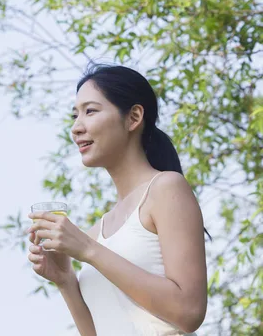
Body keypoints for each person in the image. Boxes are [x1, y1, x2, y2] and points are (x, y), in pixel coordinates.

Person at [27, 64, 208, 335]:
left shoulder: (166, 189)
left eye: (90, 111)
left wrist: (88, 250)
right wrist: (65, 280)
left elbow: (189, 311)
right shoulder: (100, 230)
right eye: (75, 115)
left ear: (133, 117)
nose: (76, 128)